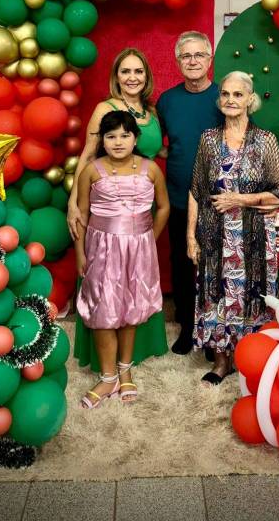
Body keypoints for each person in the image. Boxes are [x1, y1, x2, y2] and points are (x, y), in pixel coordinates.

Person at [187, 71, 279, 384]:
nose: (230, 100)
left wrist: (240, 199)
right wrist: (190, 237)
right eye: (225, 94)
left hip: (253, 238)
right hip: (214, 235)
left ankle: (250, 357)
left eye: (238, 94)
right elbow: (195, 191)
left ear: (250, 100)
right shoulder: (208, 139)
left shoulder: (265, 140)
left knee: (252, 296)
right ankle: (221, 362)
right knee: (217, 295)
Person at [67, 48, 168, 368]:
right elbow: (88, 153)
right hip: (109, 201)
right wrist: (73, 201)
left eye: (138, 71)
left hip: (142, 196)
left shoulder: (151, 111)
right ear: (116, 76)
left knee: (138, 281)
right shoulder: (105, 108)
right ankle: (107, 363)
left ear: (146, 77)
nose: (132, 77)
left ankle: (134, 355)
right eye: (126, 71)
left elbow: (156, 150)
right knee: (106, 284)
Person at [75, 111, 170, 408]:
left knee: (131, 307)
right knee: (102, 309)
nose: (118, 142)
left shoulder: (151, 169)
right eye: (111, 136)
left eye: (125, 135)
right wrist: (80, 253)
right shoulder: (91, 171)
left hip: (139, 248)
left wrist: (149, 238)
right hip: (101, 249)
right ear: (102, 140)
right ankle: (107, 377)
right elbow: (81, 215)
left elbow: (163, 207)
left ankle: (124, 370)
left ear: (136, 138)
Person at [156, 31, 224, 354]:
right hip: (179, 197)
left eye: (199, 55)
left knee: (215, 265)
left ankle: (214, 330)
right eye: (186, 56)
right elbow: (157, 143)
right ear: (178, 61)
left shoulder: (225, 96)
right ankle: (187, 326)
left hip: (219, 200)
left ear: (210, 59)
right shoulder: (167, 101)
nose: (193, 61)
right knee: (183, 264)